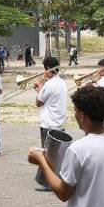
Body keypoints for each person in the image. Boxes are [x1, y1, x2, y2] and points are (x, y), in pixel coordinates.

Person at [34, 57, 68, 191]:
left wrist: (40, 88)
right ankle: (58, 180)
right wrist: (41, 90)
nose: (44, 72)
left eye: (45, 69)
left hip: (48, 123)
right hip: (59, 122)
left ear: (48, 68)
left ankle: (49, 184)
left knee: (47, 156)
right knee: (56, 155)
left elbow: (38, 103)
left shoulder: (49, 84)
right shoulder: (61, 83)